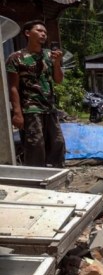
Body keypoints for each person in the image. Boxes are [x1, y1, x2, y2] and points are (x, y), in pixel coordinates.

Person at [6, 20, 66, 167]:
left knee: (58, 142)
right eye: (39, 31)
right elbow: (13, 87)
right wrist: (17, 113)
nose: (43, 34)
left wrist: (57, 63)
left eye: (45, 32)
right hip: (30, 109)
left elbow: (58, 80)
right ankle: (36, 176)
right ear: (27, 33)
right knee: (35, 145)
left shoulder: (49, 56)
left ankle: (57, 174)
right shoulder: (16, 58)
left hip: (49, 108)